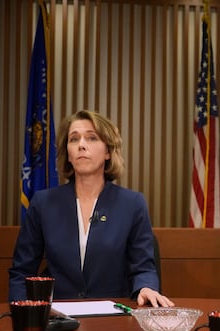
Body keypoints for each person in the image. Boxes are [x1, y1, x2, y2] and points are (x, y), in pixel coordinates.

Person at [9, 110, 174, 308]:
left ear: (107, 152)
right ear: (68, 154)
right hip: (57, 319)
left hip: (114, 321)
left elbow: (143, 267)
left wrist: (146, 287)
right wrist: (21, 313)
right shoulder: (43, 204)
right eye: (74, 139)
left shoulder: (132, 204)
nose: (81, 145)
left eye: (92, 138)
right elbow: (21, 272)